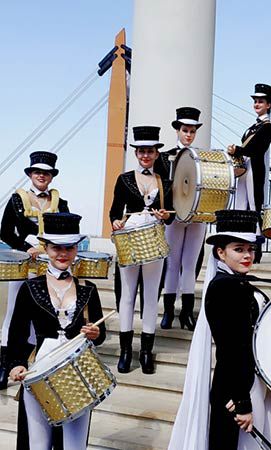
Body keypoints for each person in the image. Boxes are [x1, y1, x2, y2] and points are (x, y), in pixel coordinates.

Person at [168, 209, 271, 450]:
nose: (247, 255)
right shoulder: (225, 289)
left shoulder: (238, 283)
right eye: (238, 249)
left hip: (248, 385)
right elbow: (231, 350)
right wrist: (241, 402)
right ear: (221, 252)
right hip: (236, 390)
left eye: (250, 249)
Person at [8, 212, 106, 450]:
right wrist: (16, 363)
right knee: (37, 440)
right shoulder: (31, 287)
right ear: (45, 248)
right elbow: (17, 331)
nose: (63, 254)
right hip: (40, 364)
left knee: (74, 440)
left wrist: (95, 333)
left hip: (78, 369)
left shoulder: (88, 288)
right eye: (56, 248)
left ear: (76, 249)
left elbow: (100, 333)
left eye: (69, 248)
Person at [0, 151, 69, 390]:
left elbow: (66, 233)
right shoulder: (17, 199)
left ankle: (30, 362)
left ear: (52, 176)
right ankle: (5, 365)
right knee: (13, 313)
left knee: (39, 315)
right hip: (23, 264)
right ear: (30, 174)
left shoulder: (62, 203)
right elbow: (5, 232)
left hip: (47, 266)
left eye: (46, 172)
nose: (42, 175)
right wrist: (25, 246)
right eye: (37, 171)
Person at [110, 125, 174, 374]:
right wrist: (115, 221)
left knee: (150, 296)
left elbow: (169, 218)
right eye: (141, 151)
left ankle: (146, 351)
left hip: (154, 239)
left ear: (157, 153)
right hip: (130, 238)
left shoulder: (165, 183)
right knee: (127, 295)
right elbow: (115, 210)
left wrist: (165, 215)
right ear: (136, 153)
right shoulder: (124, 179)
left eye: (150, 151)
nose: (146, 155)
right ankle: (126, 351)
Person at [159, 107, 205, 331]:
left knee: (190, 264)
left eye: (192, 131)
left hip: (196, 217)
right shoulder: (164, 156)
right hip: (174, 217)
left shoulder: (201, 158)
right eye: (185, 130)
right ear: (177, 130)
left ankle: (187, 312)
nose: (188, 134)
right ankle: (168, 311)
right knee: (172, 263)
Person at [227, 84, 271, 263]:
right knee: (241, 205)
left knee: (255, 207)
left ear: (269, 105)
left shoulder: (267, 127)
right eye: (255, 101)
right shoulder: (253, 127)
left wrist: (238, 149)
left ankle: (257, 246)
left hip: (254, 168)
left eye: (260, 101)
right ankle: (240, 241)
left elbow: (257, 149)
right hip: (245, 167)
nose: (257, 103)